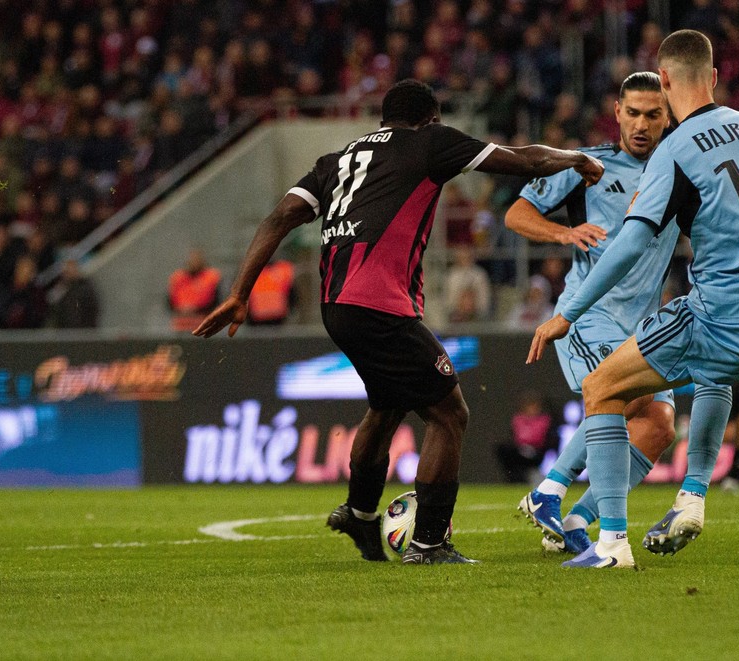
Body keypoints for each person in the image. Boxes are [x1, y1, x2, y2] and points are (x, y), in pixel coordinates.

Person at [194, 79, 604, 565]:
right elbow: (525, 160)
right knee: (449, 414)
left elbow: (280, 216)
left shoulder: (338, 159)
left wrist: (240, 292)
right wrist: (577, 159)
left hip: (336, 306)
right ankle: (430, 544)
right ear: (430, 117)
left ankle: (361, 513)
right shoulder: (431, 142)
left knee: (387, 406)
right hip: (379, 305)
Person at [527, 30, 739, 568]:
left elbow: (627, 246)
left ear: (664, 84)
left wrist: (565, 314)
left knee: (602, 388)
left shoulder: (676, 149)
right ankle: (690, 497)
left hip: (725, 316)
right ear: (713, 78)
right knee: (708, 379)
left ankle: (610, 544)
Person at [505, 71, 678, 554]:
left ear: (668, 117)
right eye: (634, 113)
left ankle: (577, 517)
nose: (642, 124)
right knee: (625, 397)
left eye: (653, 114)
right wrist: (564, 233)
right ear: (617, 113)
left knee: (659, 425)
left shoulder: (678, 170)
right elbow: (515, 213)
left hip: (643, 321)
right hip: (589, 314)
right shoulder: (587, 165)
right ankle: (550, 490)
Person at [168, 248, 221, 332]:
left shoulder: (211, 277)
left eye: (197, 259)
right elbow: (170, 301)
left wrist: (196, 309)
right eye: (192, 258)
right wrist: (183, 309)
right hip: (181, 323)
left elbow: (215, 300)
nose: (194, 261)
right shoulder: (178, 278)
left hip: (203, 321)